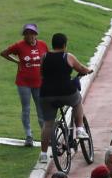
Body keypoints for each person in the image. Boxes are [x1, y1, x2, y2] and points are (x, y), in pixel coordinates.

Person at [39, 32, 92, 164]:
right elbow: (81, 68)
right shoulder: (67, 56)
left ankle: (44, 154)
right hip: (66, 92)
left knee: (48, 124)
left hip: (46, 94)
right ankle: (79, 129)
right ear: (64, 45)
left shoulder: (44, 57)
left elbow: (41, 73)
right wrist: (88, 70)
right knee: (77, 101)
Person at [0, 24, 48, 146]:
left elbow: (47, 59)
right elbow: (4, 53)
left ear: (36, 34)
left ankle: (45, 135)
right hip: (23, 82)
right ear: (24, 35)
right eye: (27, 33)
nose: (29, 35)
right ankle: (29, 136)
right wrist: (17, 61)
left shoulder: (43, 45)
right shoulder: (19, 46)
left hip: (39, 82)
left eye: (32, 33)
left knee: (41, 109)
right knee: (26, 109)